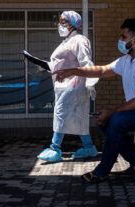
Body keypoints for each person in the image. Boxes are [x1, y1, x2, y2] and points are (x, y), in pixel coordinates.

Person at [55, 18, 135, 183]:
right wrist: (73, 71)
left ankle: (103, 170)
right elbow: (102, 70)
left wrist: (112, 112)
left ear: (134, 40)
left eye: (123, 37)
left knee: (116, 120)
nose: (120, 41)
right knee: (105, 121)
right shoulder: (128, 60)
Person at [37, 11, 99, 162]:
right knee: (78, 118)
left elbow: (86, 62)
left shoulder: (79, 40)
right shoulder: (66, 42)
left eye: (64, 22)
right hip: (65, 86)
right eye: (59, 21)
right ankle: (88, 147)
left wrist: (91, 84)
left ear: (74, 24)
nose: (60, 25)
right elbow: (61, 63)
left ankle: (55, 148)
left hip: (74, 86)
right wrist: (44, 65)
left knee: (61, 114)